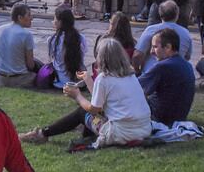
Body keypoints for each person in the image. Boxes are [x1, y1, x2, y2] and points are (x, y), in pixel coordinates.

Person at [20, 38, 153, 148]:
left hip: (122, 133)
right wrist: (88, 79)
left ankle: (42, 134)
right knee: (90, 113)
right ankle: (82, 137)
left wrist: (77, 96)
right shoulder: (130, 75)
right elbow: (100, 100)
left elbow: (94, 109)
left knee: (82, 112)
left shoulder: (104, 78)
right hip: (143, 129)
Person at [137, 28, 196, 124]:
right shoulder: (187, 65)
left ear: (168, 47)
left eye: (155, 47)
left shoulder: (162, 67)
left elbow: (134, 86)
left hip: (158, 118)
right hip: (179, 117)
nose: (151, 51)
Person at [133, 0, 194, 74]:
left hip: (152, 72)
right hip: (176, 73)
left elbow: (137, 55)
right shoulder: (186, 33)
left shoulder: (150, 30)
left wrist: (137, 71)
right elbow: (187, 57)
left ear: (160, 14)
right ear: (177, 14)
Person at [0, 3, 39, 87]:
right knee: (44, 75)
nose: (31, 18)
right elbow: (30, 65)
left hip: (0, 78)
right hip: (20, 79)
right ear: (20, 18)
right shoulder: (26, 34)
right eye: (29, 15)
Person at [46, 7, 87, 85]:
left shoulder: (52, 40)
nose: (53, 22)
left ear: (60, 22)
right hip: (79, 80)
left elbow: (52, 59)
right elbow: (82, 56)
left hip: (61, 80)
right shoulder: (81, 38)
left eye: (54, 19)